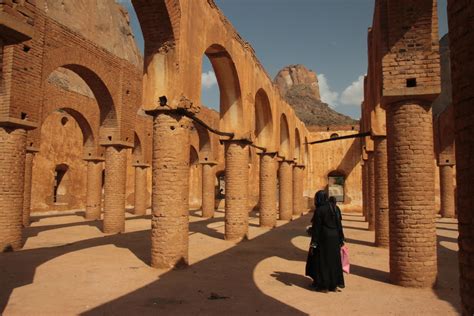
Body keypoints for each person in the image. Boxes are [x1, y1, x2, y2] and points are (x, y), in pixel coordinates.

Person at [305, 190, 345, 292]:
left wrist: (313, 244)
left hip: (323, 239)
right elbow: (339, 226)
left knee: (321, 261)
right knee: (333, 261)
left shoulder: (320, 210)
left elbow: (317, 229)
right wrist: (341, 240)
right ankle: (333, 285)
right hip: (335, 238)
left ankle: (323, 285)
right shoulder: (335, 208)